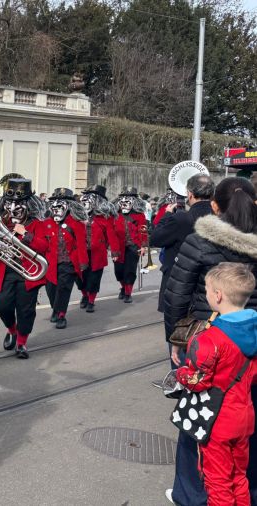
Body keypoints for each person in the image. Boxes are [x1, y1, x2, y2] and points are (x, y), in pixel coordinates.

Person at [163, 177, 257, 506]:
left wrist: (177, 339)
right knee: (247, 420)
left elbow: (176, 295)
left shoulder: (199, 241)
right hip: (251, 342)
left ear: (214, 206)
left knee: (197, 419)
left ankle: (191, 494)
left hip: (206, 341)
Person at [174, 262, 257, 506]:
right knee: (239, 475)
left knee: (217, 480)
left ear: (218, 296)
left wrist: (180, 374)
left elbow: (197, 381)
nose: (206, 294)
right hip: (244, 415)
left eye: (207, 290)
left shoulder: (209, 339)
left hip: (217, 420)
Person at [0, 178, 49, 359]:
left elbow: (44, 246)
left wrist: (25, 234)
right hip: (5, 271)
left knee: (25, 310)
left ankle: (21, 342)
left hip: (28, 273)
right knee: (1, 305)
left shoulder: (37, 223)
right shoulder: (1, 221)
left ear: (28, 204)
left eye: (18, 203)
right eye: (9, 203)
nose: (13, 208)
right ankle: (12, 329)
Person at [150, 175, 215, 321]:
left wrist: (167, 215)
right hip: (211, 286)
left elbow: (155, 239)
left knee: (177, 330)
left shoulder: (180, 219)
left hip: (179, 286)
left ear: (190, 194)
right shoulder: (221, 217)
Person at [43, 188, 88, 329]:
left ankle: (61, 314)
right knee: (51, 290)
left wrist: (83, 262)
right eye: (54, 203)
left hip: (68, 262)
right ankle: (55, 309)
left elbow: (81, 244)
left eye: (60, 203)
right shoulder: (46, 222)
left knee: (63, 289)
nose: (56, 206)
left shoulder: (76, 223)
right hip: (51, 263)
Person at [77, 185, 120, 313]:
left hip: (97, 254)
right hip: (81, 252)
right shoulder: (78, 216)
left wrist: (115, 251)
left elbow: (111, 234)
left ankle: (91, 301)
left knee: (94, 278)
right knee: (80, 277)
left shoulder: (105, 217)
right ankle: (84, 295)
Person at [112, 186, 148, 303]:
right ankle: (123, 287)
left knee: (130, 271)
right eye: (122, 198)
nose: (124, 201)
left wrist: (143, 246)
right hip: (118, 248)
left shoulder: (139, 215)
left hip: (133, 247)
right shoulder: (115, 215)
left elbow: (143, 230)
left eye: (128, 198)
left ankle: (128, 293)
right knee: (118, 271)